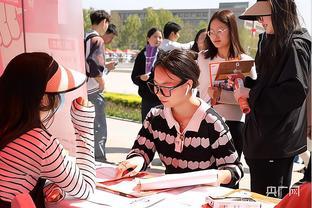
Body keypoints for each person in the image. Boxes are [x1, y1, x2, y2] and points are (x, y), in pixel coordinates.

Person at [116, 49, 244, 188]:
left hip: (202, 196)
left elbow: (234, 169)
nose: (159, 93)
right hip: (168, 194)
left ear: (188, 85)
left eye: (166, 86)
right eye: (156, 86)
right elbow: (141, 151)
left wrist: (215, 176)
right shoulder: (155, 117)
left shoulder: (211, 122)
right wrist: (137, 160)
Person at [231, 0, 311, 198]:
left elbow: (294, 92)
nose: (259, 21)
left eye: (263, 15)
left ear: (279, 12)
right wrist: (247, 83)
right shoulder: (272, 39)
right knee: (262, 198)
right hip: (263, 139)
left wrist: (250, 93)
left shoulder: (294, 44)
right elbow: (269, 83)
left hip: (275, 142)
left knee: (269, 200)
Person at [0, 52, 95, 207]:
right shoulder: (38, 142)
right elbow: (86, 188)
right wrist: (83, 126)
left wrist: (55, 186)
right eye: (56, 94)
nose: (58, 99)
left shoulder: (8, 125)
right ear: (43, 99)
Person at [197, 10, 256, 164]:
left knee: (229, 175)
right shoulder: (203, 58)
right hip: (206, 122)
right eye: (211, 32)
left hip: (234, 124)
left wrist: (221, 94)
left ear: (232, 30)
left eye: (220, 31)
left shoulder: (246, 61)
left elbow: (254, 97)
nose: (215, 36)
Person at [85, 10, 112, 162]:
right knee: (99, 125)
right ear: (103, 22)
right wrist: (101, 81)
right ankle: (99, 157)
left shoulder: (84, 36)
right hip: (93, 89)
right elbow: (94, 63)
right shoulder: (98, 40)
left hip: (82, 87)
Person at [131, 27, 163, 122]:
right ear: (148, 38)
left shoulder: (163, 55)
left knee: (161, 126)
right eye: (155, 36)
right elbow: (134, 77)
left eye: (160, 37)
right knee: (147, 125)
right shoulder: (141, 56)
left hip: (161, 97)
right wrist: (141, 78)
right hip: (147, 97)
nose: (158, 39)